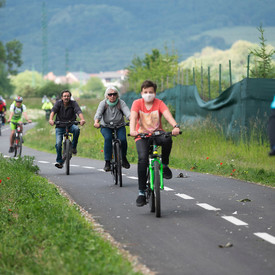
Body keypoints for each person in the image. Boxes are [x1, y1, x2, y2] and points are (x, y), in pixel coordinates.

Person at [129, 80, 181, 207]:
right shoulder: (137, 103)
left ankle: (164, 164)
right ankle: (141, 192)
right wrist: (132, 130)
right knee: (142, 159)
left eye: (150, 92)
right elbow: (133, 118)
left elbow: (167, 115)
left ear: (155, 93)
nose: (148, 94)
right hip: (142, 135)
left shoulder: (159, 103)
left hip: (157, 134)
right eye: (145, 92)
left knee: (168, 138)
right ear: (141, 93)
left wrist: (175, 126)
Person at [94, 86, 131, 171]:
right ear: (106, 96)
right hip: (106, 126)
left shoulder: (121, 103)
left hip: (119, 126)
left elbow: (127, 113)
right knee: (108, 138)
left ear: (117, 95)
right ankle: (107, 162)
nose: (112, 96)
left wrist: (132, 119)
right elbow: (98, 113)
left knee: (123, 139)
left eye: (114, 94)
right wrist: (96, 122)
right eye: (110, 94)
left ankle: (123, 158)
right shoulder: (103, 103)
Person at [49, 90, 86, 169]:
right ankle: (59, 161)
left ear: (70, 97)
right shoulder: (58, 103)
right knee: (58, 144)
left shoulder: (73, 103)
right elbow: (53, 111)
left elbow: (78, 111)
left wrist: (82, 119)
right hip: (60, 125)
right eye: (65, 96)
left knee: (76, 129)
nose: (66, 97)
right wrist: (51, 119)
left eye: (68, 96)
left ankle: (73, 147)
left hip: (71, 124)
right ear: (62, 97)